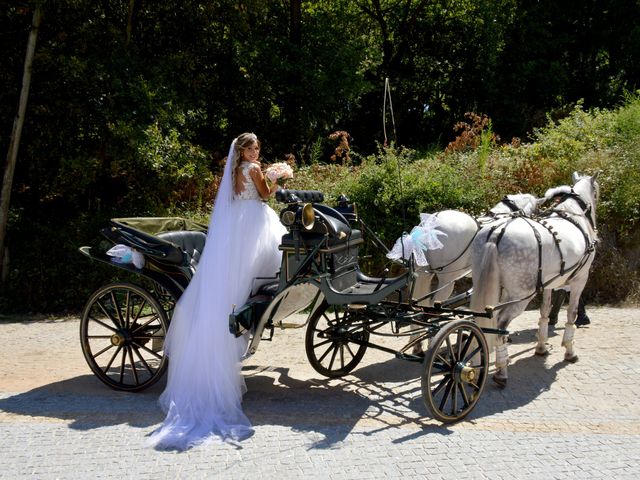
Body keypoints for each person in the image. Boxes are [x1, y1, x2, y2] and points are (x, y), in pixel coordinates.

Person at [146, 133, 287, 450]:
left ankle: (255, 301)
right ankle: (263, 297)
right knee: (276, 253)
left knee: (242, 274)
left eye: (258, 147)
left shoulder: (237, 171)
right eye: (252, 147)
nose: (256, 151)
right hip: (253, 222)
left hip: (239, 224)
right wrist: (277, 178)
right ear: (243, 151)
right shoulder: (251, 169)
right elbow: (264, 195)